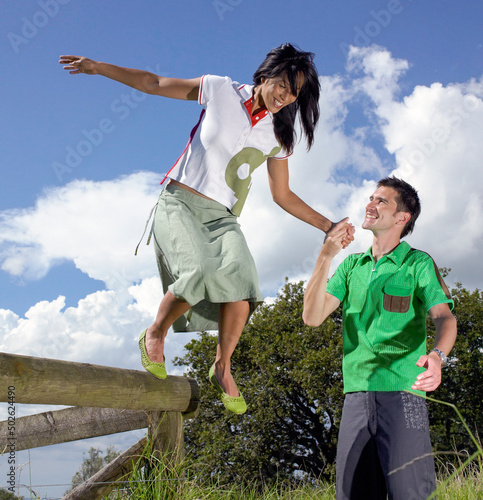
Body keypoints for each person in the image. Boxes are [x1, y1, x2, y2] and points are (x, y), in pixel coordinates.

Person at [60, 43, 353, 415]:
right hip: (180, 202)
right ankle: (155, 332)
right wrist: (99, 67)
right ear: (264, 76)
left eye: (294, 93)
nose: (285, 96)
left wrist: (329, 227)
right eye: (282, 84)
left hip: (223, 218)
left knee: (244, 283)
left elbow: (284, 195)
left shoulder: (278, 137)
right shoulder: (220, 90)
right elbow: (154, 82)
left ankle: (223, 366)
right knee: (196, 272)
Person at [303, 176, 457, 499]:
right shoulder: (350, 267)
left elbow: (444, 317)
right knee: (353, 493)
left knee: (409, 493)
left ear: (403, 218)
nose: (370, 204)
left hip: (405, 394)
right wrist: (326, 255)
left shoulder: (417, 264)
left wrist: (437, 357)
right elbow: (311, 316)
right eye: (371, 198)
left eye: (381, 201)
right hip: (355, 396)